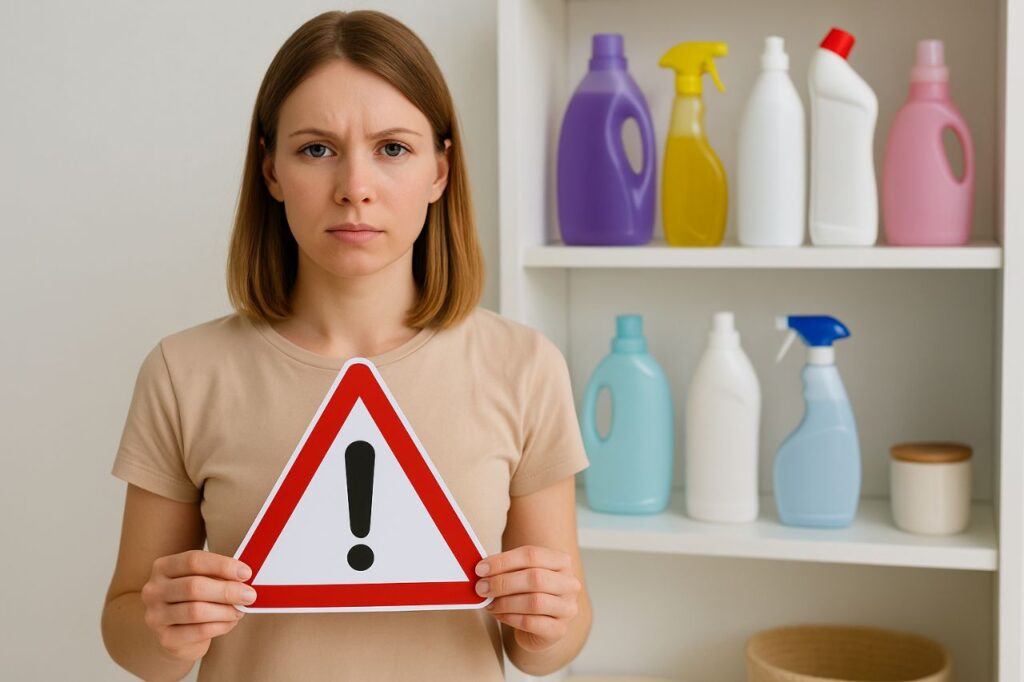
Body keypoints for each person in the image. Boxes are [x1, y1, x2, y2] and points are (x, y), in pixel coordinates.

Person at [100, 9, 592, 681]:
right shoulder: (184, 372)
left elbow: (547, 647)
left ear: (440, 172)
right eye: (316, 148)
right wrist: (166, 627)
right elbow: (133, 638)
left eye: (393, 148)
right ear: (270, 169)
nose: (354, 188)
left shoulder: (525, 367)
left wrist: (550, 619)